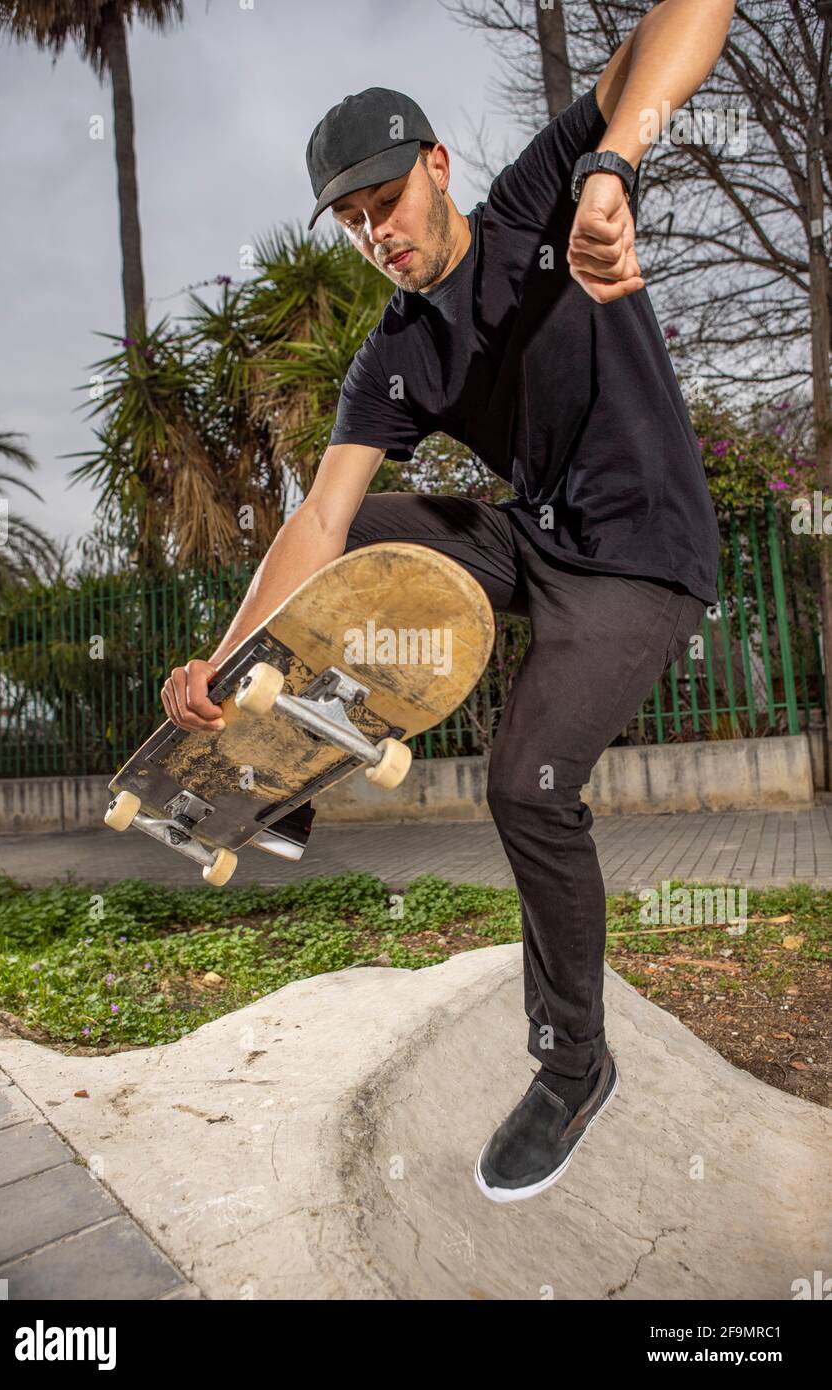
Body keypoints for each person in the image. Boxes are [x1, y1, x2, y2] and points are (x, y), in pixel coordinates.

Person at [161, 0, 735, 1201]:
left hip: (644, 559)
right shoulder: (393, 352)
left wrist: (616, 165)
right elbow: (317, 524)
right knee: (352, 532)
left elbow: (691, 13)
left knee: (526, 781)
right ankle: (290, 773)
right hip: (535, 542)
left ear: (439, 167)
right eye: (354, 221)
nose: (379, 235)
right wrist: (223, 667)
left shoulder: (538, 199)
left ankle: (573, 1062)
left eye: (389, 202)